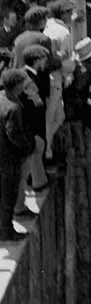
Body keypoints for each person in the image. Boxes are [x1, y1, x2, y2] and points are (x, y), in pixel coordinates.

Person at [0, 69, 35, 241]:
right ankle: (6, 232)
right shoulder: (13, 108)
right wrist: (28, 147)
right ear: (16, 86)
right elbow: (14, 135)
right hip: (9, 158)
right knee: (9, 196)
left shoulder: (2, 97)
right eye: (22, 83)